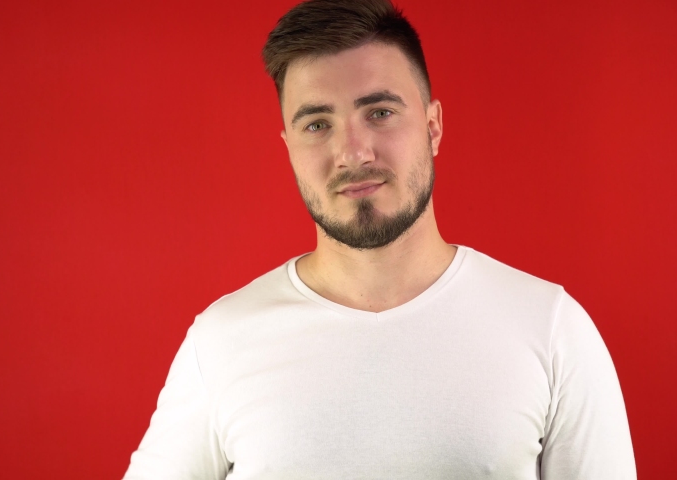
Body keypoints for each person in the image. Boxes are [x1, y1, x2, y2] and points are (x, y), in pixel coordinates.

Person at [123, 0, 636, 478]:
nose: (353, 152)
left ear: (433, 127)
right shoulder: (221, 340)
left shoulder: (550, 327)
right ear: (288, 146)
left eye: (380, 113)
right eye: (317, 124)